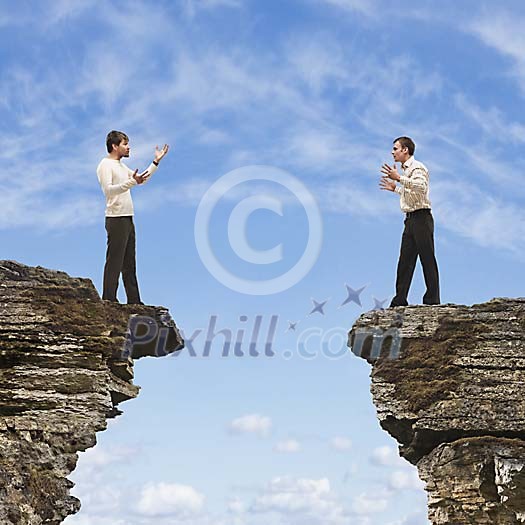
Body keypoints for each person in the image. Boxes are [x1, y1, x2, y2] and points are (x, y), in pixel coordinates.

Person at [97, 130, 169, 304]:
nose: (128, 147)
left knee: (129, 263)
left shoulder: (122, 166)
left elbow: (141, 179)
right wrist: (132, 182)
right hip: (115, 218)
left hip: (128, 218)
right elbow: (109, 190)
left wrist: (155, 162)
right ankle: (109, 300)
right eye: (124, 144)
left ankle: (134, 301)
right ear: (114, 146)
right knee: (114, 261)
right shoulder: (105, 165)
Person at [379, 136, 440, 307]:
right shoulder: (406, 171)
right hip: (410, 219)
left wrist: (399, 179)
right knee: (405, 261)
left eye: (395, 149)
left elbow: (421, 189)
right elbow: (412, 194)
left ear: (405, 150)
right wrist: (396, 189)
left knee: (427, 259)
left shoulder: (417, 167)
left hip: (422, 218)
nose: (392, 152)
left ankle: (432, 300)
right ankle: (400, 299)